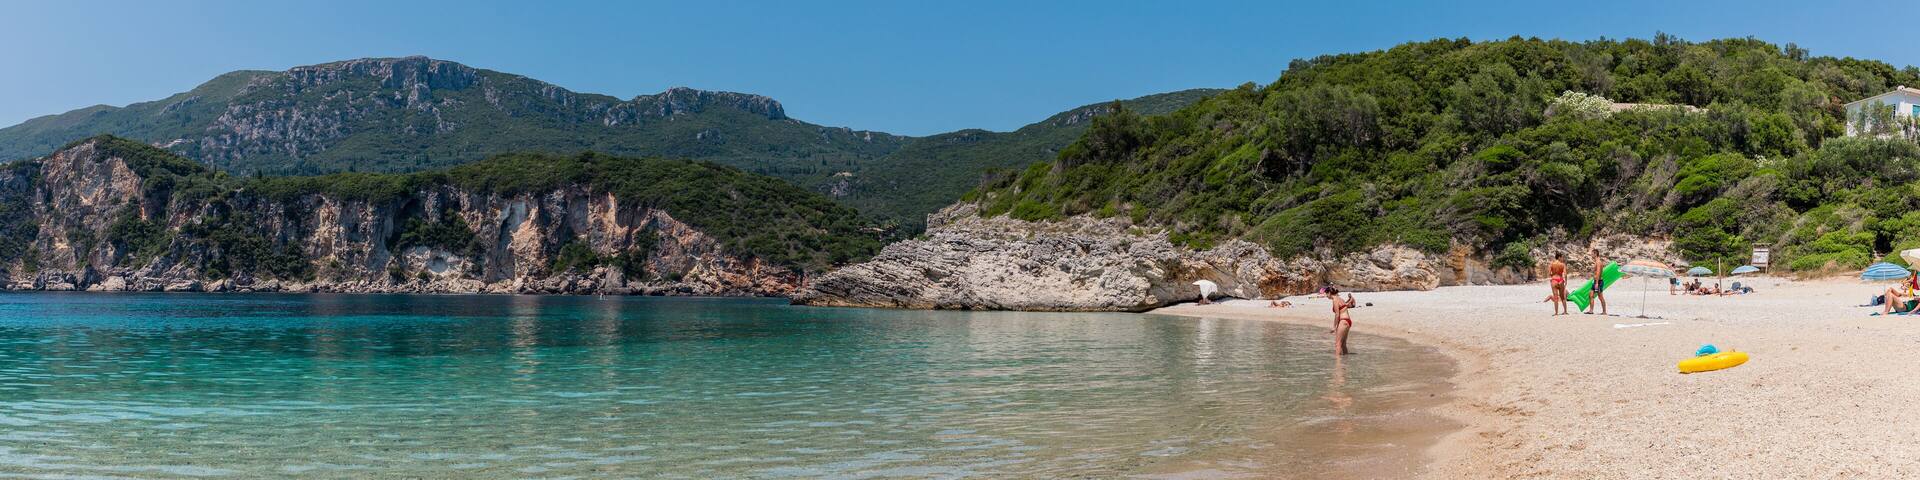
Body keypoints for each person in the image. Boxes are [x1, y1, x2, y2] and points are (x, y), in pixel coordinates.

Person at [1324, 286, 1355, 355]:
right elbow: (1347, 306)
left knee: (1337, 344)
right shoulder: (1340, 299)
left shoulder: (1335, 300)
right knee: (1343, 344)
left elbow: (1337, 315)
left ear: (1329, 293)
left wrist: (1334, 327)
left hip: (1343, 321)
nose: (1326, 296)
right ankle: (1345, 362)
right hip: (1348, 321)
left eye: (1326, 294)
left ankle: (1338, 364)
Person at [1586, 248, 1608, 315]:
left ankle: (1604, 311)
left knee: (1600, 296)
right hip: (1595, 281)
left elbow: (1598, 273)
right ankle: (1591, 310)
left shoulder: (1598, 262)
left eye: (1592, 254)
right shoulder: (1597, 262)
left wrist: (1597, 283)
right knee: (1591, 295)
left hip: (1598, 282)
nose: (1591, 255)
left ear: (1595, 254)